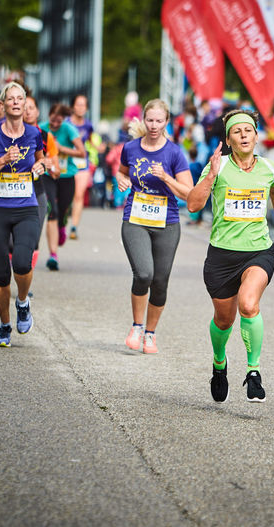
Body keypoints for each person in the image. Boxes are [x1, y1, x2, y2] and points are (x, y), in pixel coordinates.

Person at [187, 109, 274, 403]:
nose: (243, 136)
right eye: (237, 132)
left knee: (249, 305)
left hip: (258, 251)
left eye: (248, 131)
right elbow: (193, 205)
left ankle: (254, 372)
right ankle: (219, 363)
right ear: (228, 140)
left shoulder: (269, 168)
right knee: (224, 320)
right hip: (222, 255)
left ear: (256, 136)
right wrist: (210, 175)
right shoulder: (218, 166)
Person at [115, 99, 193, 354]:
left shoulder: (174, 153)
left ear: (166, 122)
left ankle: (150, 333)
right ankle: (137, 326)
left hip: (166, 223)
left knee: (160, 281)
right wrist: (121, 180)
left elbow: (189, 193)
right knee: (143, 274)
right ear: (143, 120)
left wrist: (166, 177)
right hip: (135, 219)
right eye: (150, 120)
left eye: (159, 121)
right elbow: (122, 171)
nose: (153, 125)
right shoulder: (130, 148)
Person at [0, 82, 47, 347]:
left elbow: (41, 159)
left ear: (25, 103)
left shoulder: (34, 133)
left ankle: (23, 302)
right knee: (1, 274)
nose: (16, 102)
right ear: (2, 104)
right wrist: (3, 160)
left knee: (22, 263)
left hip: (26, 208)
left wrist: (40, 167)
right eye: (11, 99)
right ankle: (5, 325)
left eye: (20, 98)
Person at [40, 103, 85, 271]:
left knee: (63, 209)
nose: (55, 124)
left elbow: (82, 152)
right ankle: (53, 255)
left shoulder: (69, 129)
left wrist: (61, 149)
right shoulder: (42, 128)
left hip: (66, 175)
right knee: (52, 210)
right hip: (48, 175)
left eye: (59, 122)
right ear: (49, 116)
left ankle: (62, 225)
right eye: (53, 120)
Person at [23, 95, 59, 268]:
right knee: (13, 241)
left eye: (31, 108)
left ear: (37, 112)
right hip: (14, 190)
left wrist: (50, 165)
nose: (27, 112)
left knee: (33, 237)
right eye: (24, 108)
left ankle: (25, 275)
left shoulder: (45, 136)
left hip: (37, 189)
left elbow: (57, 171)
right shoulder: (10, 133)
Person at [68, 94, 94, 240]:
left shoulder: (88, 125)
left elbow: (90, 141)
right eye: (78, 104)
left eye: (83, 105)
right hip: (67, 162)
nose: (80, 108)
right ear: (73, 107)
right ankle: (62, 220)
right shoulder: (66, 123)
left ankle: (74, 227)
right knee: (67, 196)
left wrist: (98, 147)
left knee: (79, 195)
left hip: (82, 163)